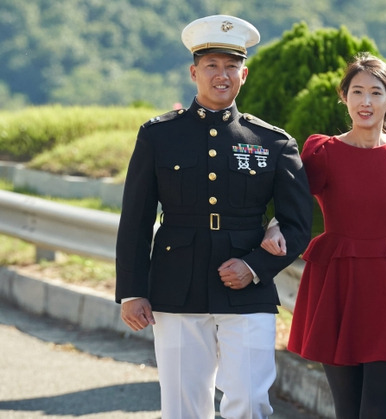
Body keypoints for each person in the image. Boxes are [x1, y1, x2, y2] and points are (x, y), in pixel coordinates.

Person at [115, 15, 312, 419]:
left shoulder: (273, 142)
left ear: (245, 73)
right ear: (194, 72)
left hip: (247, 287)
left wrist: (256, 267)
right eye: (212, 65)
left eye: (231, 66)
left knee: (250, 399)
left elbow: (297, 224)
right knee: (184, 404)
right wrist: (132, 290)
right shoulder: (158, 136)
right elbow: (135, 217)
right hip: (175, 283)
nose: (222, 75)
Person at [261, 52, 386, 419]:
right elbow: (293, 205)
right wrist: (275, 225)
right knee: (347, 409)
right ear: (344, 97)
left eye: (376, 93)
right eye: (357, 92)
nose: (366, 102)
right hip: (337, 285)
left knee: (377, 410)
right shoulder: (323, 152)